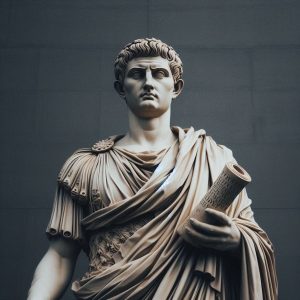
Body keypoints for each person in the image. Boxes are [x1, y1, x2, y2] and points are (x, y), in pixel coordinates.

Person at [28, 38, 278, 300]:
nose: (148, 82)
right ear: (121, 87)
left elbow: (255, 239)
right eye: (137, 74)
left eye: (159, 74)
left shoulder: (213, 159)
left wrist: (237, 241)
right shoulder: (85, 167)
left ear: (176, 86)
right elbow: (59, 257)